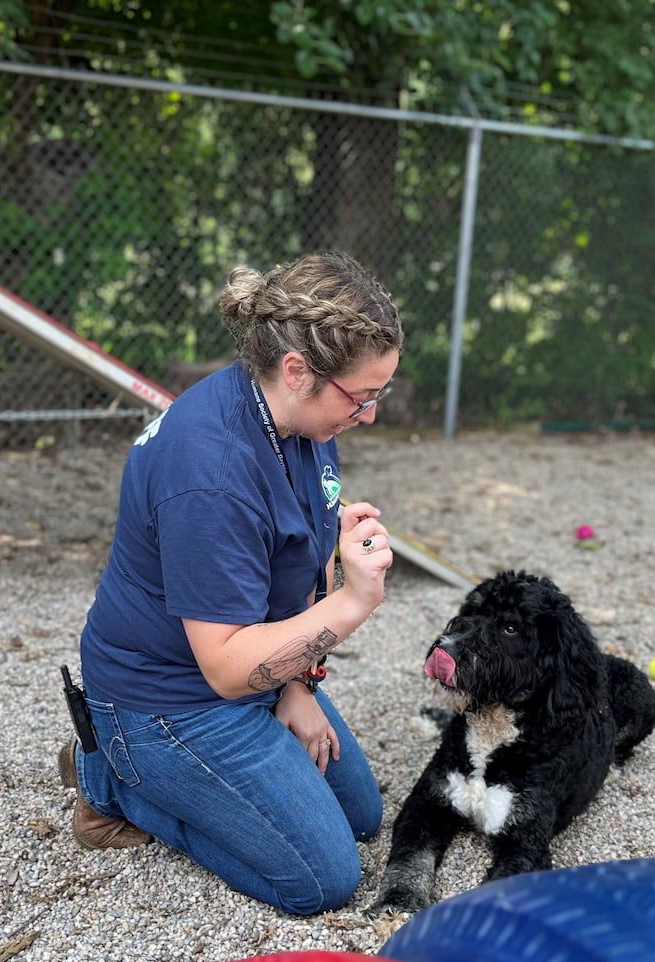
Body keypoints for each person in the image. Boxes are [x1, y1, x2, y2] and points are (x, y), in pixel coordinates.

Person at [59, 251, 402, 916]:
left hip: (251, 665)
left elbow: (302, 553)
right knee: (322, 878)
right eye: (362, 397)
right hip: (167, 700)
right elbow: (224, 670)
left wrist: (298, 686)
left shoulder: (299, 418)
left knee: (361, 816)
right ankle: (114, 778)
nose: (370, 416)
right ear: (299, 370)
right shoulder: (209, 471)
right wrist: (355, 601)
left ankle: (145, 772)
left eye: (377, 394)